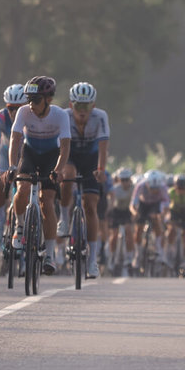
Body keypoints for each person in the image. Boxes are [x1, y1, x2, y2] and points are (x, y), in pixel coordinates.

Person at [8, 75, 70, 275]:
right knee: (23, 187)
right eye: (29, 100)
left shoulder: (60, 115)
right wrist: (11, 166)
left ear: (48, 99)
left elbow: (65, 147)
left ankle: (49, 254)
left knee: (47, 201)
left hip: (51, 156)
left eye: (36, 100)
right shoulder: (24, 112)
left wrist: (58, 170)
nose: (31, 104)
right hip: (30, 153)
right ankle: (19, 224)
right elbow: (15, 140)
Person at [59, 82, 109, 279]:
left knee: (90, 206)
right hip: (69, 155)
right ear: (71, 106)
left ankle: (92, 259)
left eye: (86, 106)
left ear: (93, 106)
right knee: (68, 176)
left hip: (91, 159)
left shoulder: (101, 117)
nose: (82, 111)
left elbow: (104, 146)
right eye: (78, 106)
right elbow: (61, 146)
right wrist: (59, 169)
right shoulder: (64, 117)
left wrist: (101, 170)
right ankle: (64, 216)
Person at [0, 84, 25, 253]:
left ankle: (26, 222)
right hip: (5, 153)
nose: (14, 113)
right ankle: (0, 216)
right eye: (11, 108)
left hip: (25, 154)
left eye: (19, 108)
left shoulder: (30, 117)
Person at [130, 169, 169, 269]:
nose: (154, 191)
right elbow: (133, 205)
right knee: (138, 228)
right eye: (151, 188)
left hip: (155, 205)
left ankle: (158, 249)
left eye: (156, 189)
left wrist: (162, 215)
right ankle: (138, 254)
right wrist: (135, 213)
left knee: (156, 222)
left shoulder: (163, 187)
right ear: (147, 183)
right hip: (143, 205)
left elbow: (166, 206)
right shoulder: (140, 185)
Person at [106, 167, 136, 275]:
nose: (124, 182)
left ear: (130, 180)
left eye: (126, 180)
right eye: (122, 180)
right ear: (119, 180)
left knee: (129, 232)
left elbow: (135, 203)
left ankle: (129, 257)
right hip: (116, 211)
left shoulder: (134, 188)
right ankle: (112, 257)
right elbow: (111, 203)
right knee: (114, 235)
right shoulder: (115, 189)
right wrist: (107, 213)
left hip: (127, 212)